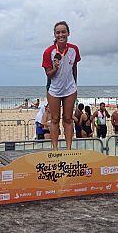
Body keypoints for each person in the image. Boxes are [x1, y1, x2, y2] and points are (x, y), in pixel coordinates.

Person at [42, 21, 81, 150]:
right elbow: (49, 75)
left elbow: (74, 67)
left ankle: (69, 148)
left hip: (70, 88)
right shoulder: (49, 52)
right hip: (54, 89)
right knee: (54, 119)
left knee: (68, 118)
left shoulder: (74, 49)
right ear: (54, 34)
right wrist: (55, 67)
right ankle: (55, 148)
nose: (61, 35)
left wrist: (75, 84)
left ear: (68, 33)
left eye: (63, 32)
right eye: (58, 32)